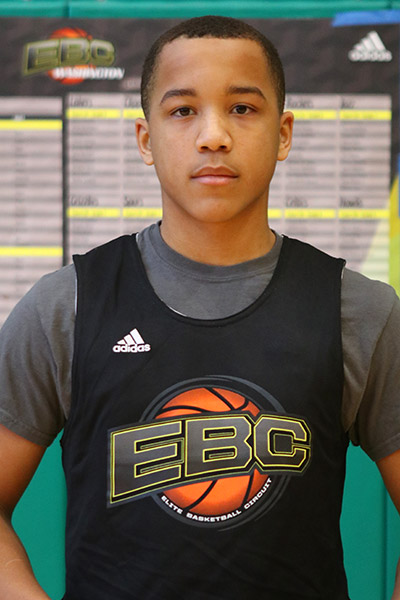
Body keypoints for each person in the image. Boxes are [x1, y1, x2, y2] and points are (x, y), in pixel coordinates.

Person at [0, 15, 399, 600]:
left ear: (284, 133)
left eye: (242, 108)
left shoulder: (360, 311)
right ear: (146, 139)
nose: (214, 135)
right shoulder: (68, 305)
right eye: (183, 110)